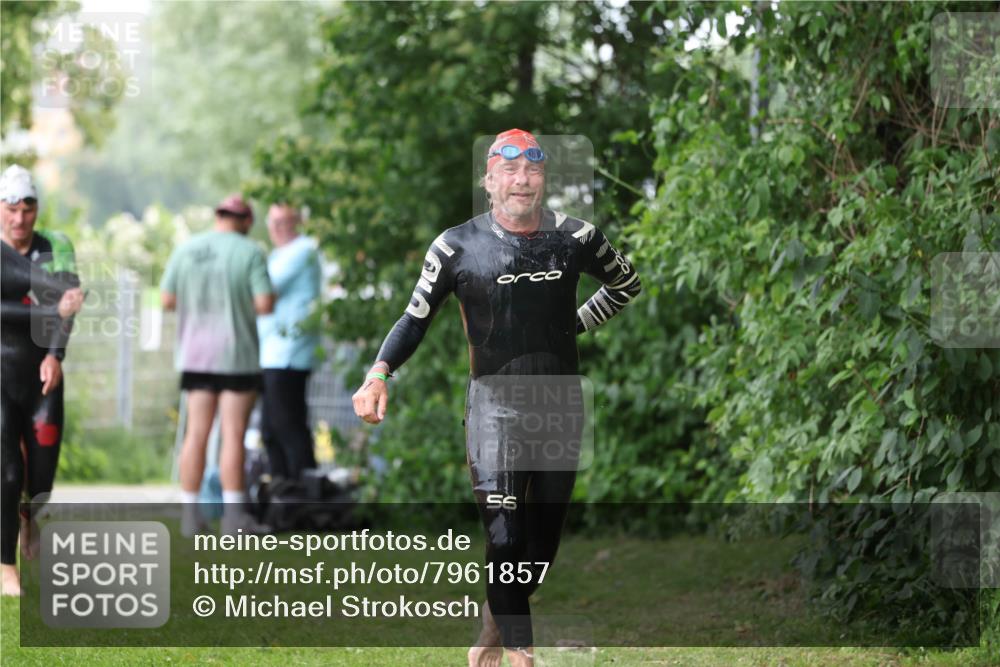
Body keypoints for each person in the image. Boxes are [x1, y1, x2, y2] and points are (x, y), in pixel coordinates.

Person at [352, 129, 641, 667]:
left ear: (543, 179)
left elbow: (626, 284)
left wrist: (574, 324)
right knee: (505, 537)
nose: (521, 180)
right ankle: (519, 655)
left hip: (559, 407)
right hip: (494, 406)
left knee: (539, 551)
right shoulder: (457, 246)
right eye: (508, 171)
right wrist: (378, 374)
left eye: (531, 170)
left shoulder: (576, 237)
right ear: (488, 181)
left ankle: (493, 623)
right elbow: (415, 318)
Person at [160, 195, 275, 536]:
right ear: (245, 221)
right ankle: (233, 519)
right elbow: (265, 303)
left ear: (218, 216)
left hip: (195, 356)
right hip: (236, 356)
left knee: (196, 434)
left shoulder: (186, 249)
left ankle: (188, 518)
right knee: (233, 435)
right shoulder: (250, 252)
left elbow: (167, 299)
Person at [1, 165, 84, 596]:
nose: (19, 219)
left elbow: (69, 305)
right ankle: (5, 566)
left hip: (42, 374)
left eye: (27, 208)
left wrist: (55, 355)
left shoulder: (56, 247)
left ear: (37, 209)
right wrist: (53, 311)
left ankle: (31, 521)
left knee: (42, 476)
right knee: (8, 471)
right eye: (11, 208)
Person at [257, 203, 321, 480]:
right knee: (270, 430)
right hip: (271, 353)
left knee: (288, 426)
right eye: (273, 222)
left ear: (297, 222)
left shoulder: (303, 250)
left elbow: (262, 291)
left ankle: (306, 498)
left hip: (288, 354)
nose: (277, 228)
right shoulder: (279, 254)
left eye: (284, 221)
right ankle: (284, 495)